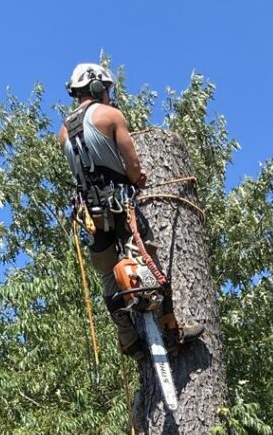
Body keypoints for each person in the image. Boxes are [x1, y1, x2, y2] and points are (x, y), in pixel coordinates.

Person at [60, 63, 202, 357]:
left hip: (91, 215)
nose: (109, 95)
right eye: (107, 89)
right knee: (149, 257)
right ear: (98, 87)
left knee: (108, 277)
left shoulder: (63, 132)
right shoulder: (110, 116)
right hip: (120, 205)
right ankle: (171, 326)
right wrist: (138, 179)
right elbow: (133, 165)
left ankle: (128, 338)